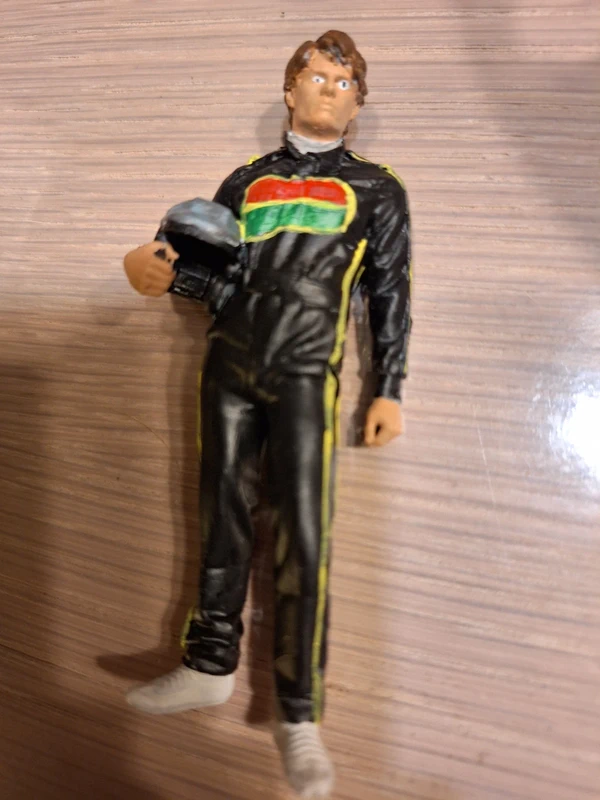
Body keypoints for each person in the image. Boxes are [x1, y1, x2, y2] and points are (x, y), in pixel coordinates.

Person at [123, 30, 412, 799]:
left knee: (303, 533)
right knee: (219, 511)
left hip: (307, 374)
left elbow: (390, 292)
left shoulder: (378, 190)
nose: (329, 91)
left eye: (344, 84)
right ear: (290, 90)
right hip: (230, 363)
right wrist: (159, 273)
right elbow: (208, 275)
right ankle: (208, 665)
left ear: (359, 103)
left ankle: (299, 713)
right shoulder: (244, 181)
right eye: (316, 78)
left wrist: (390, 386)